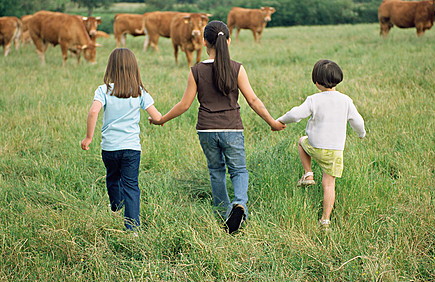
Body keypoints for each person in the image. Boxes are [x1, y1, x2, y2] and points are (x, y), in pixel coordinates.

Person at [150, 20, 285, 234]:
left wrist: (162, 119)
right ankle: (239, 204)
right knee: (238, 170)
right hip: (232, 128)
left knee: (216, 170)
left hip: (206, 129)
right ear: (228, 41)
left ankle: (224, 213)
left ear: (204, 42)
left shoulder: (196, 70)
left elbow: (184, 105)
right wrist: (273, 123)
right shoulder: (237, 68)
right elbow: (253, 100)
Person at [277, 59, 366, 229]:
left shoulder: (314, 100)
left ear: (316, 82)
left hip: (315, 146)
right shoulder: (346, 100)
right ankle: (325, 220)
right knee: (329, 184)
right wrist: (361, 134)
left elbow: (296, 115)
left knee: (301, 142)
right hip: (335, 152)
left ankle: (308, 174)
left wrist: (280, 120)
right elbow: (358, 121)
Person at [81, 48, 162, 232]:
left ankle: (116, 208)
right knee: (131, 185)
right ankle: (132, 227)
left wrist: (88, 137)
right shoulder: (139, 91)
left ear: (111, 68)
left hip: (109, 148)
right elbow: (156, 116)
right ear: (134, 68)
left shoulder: (103, 90)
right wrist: (157, 121)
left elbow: (94, 111)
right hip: (132, 149)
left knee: (112, 178)